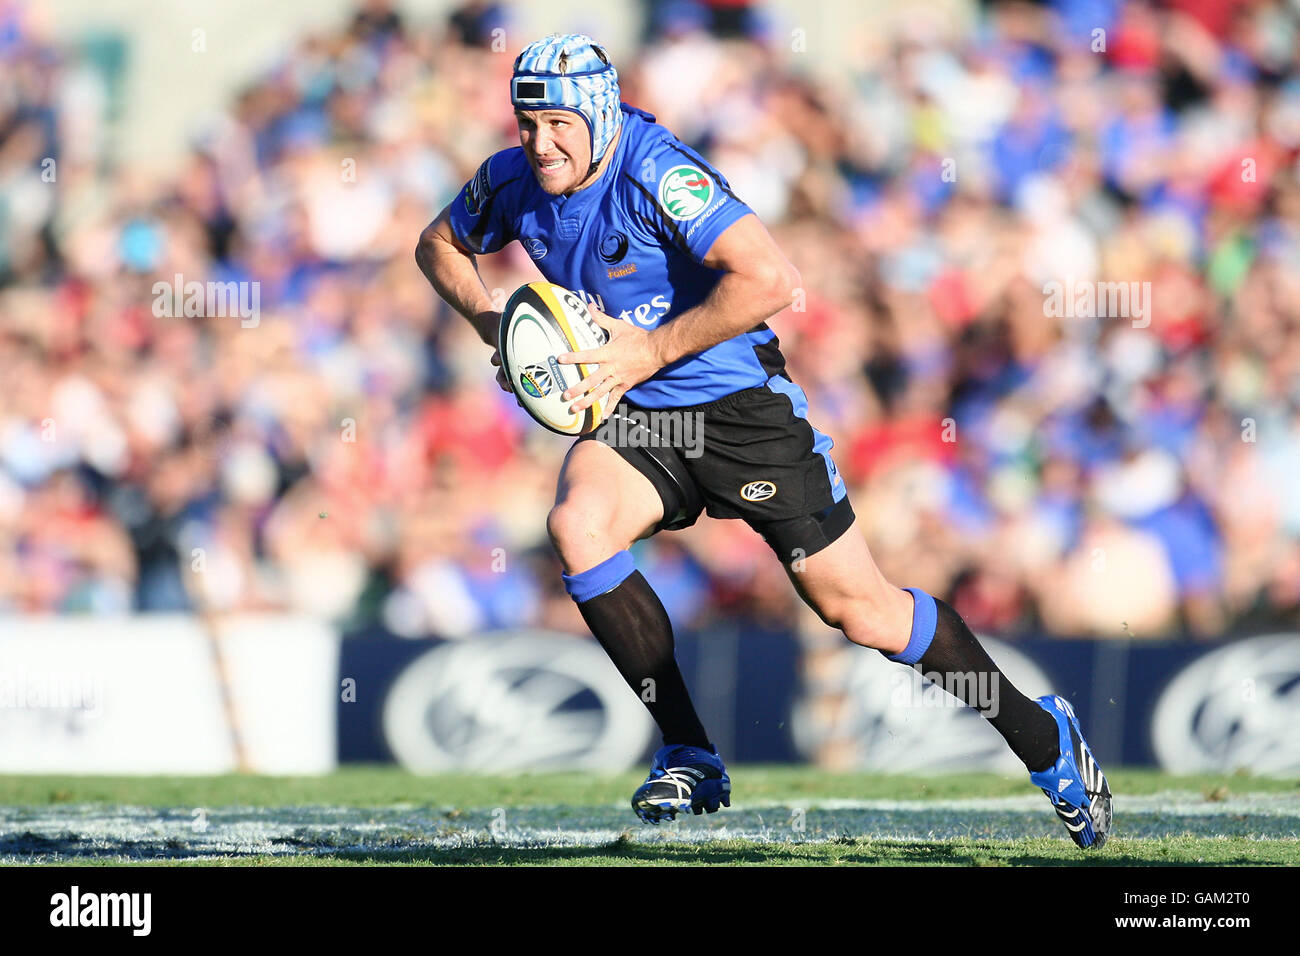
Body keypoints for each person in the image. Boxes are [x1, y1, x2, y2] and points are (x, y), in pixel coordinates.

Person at [415, 33, 1111, 847]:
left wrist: (643, 350)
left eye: (559, 123)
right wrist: (497, 327)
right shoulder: (511, 180)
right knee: (579, 526)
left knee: (861, 611)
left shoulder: (657, 170)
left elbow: (773, 279)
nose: (541, 142)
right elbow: (437, 244)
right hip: (636, 412)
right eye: (528, 123)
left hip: (739, 408)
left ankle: (1042, 735)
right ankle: (688, 748)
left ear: (600, 114)